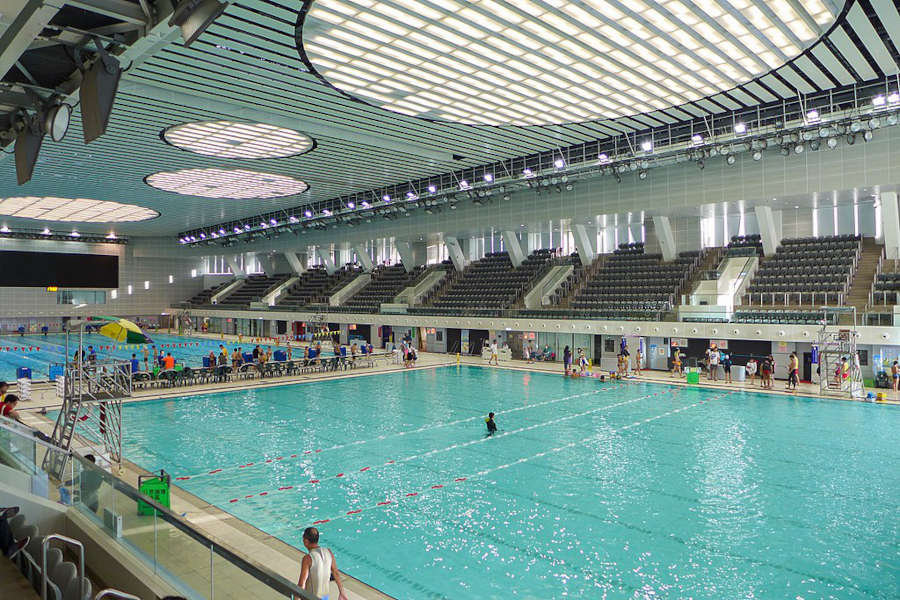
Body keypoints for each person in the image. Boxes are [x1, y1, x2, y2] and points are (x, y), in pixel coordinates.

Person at [297, 527, 349, 600]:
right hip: (325, 598)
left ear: (305, 541)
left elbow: (302, 584)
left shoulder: (307, 559)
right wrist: (342, 593)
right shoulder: (328, 552)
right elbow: (336, 573)